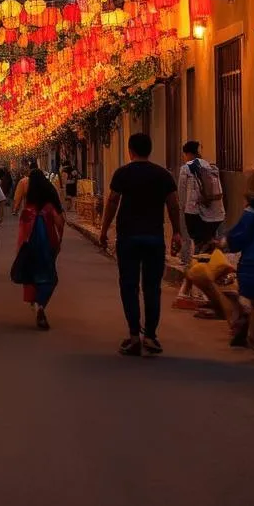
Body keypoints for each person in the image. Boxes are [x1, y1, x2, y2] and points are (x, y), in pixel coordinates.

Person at [99, 133, 182, 357]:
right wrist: (176, 232)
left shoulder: (123, 174)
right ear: (150, 150)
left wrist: (104, 229)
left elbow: (113, 201)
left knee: (129, 286)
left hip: (128, 238)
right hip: (154, 238)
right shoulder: (163, 175)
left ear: (130, 150)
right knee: (152, 288)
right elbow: (173, 205)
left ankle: (134, 336)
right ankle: (151, 337)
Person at [190, 166, 254, 347]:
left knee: (242, 295)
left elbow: (238, 237)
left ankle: (239, 321)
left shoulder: (250, 213)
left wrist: (222, 243)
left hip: (253, 266)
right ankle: (253, 336)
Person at [174, 141, 226, 310]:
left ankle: (198, 291)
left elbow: (181, 195)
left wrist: (182, 209)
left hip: (195, 213)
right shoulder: (211, 167)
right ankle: (194, 290)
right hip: (216, 215)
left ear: (187, 153)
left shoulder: (186, 169)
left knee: (198, 252)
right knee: (207, 249)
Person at [14, 169, 65, 330]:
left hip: (30, 247)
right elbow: (59, 223)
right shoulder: (49, 207)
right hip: (48, 245)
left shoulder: (28, 210)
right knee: (50, 277)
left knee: (32, 275)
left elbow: (22, 234)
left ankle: (35, 304)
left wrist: (20, 251)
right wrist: (59, 242)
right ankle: (41, 305)